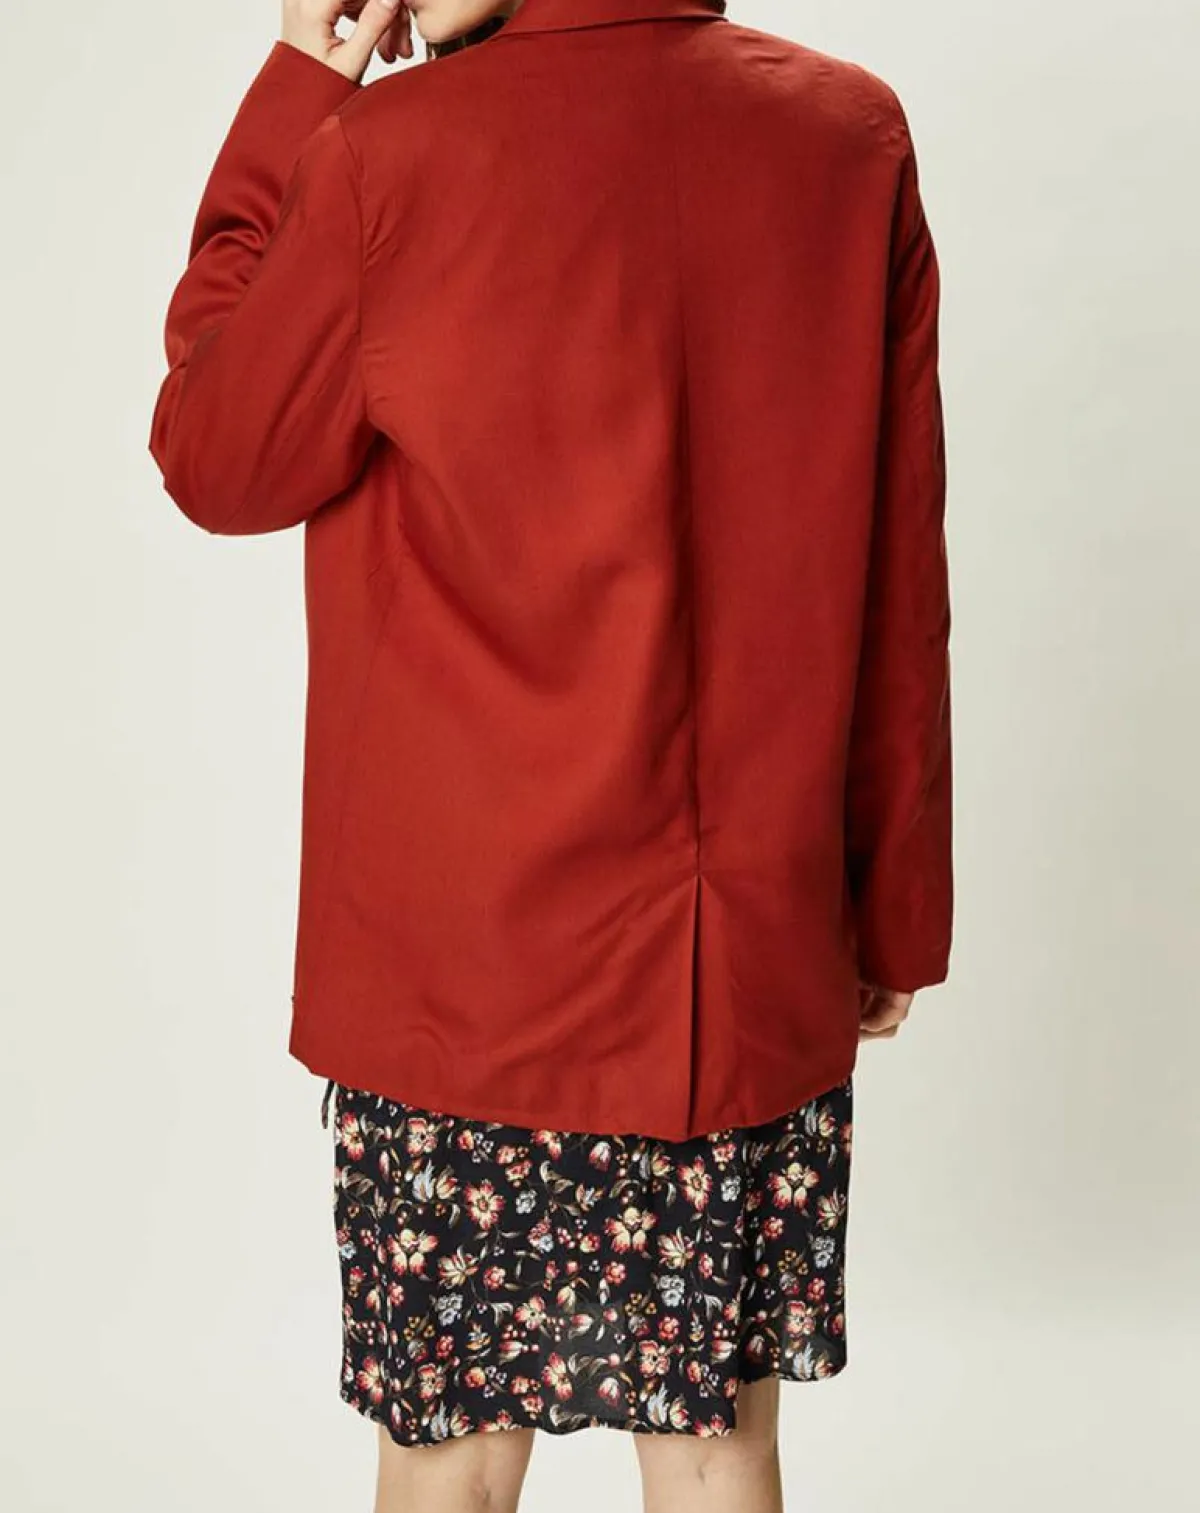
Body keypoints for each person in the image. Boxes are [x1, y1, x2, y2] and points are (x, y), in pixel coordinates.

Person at [149, 0, 952, 1508]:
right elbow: (900, 569)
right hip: (736, 959)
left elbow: (215, 448)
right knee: (716, 1453)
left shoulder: (387, 159)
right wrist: (892, 904)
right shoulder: (849, 138)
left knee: (449, 1461)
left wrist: (301, 83)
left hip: (465, 979)